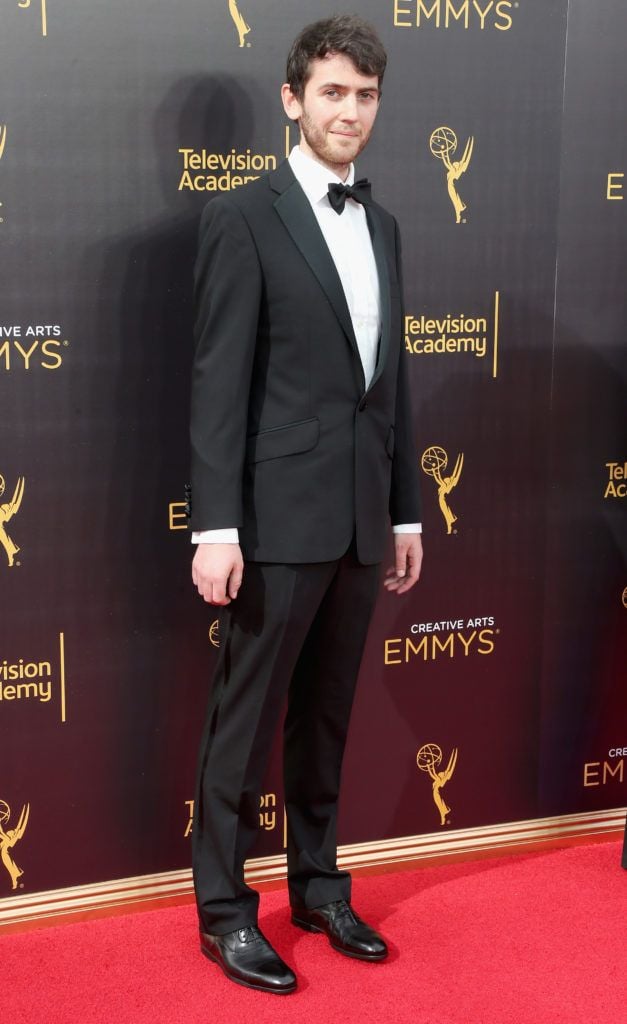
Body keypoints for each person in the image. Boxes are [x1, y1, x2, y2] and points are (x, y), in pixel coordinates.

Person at [189, 14, 423, 995]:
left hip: (365, 518)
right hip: (274, 516)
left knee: (326, 715)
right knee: (244, 719)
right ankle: (223, 912)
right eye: (332, 92)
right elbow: (216, 383)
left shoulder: (387, 224)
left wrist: (406, 511)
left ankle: (320, 886)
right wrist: (214, 524)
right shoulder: (242, 216)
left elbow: (393, 383)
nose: (350, 111)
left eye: (365, 95)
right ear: (294, 100)